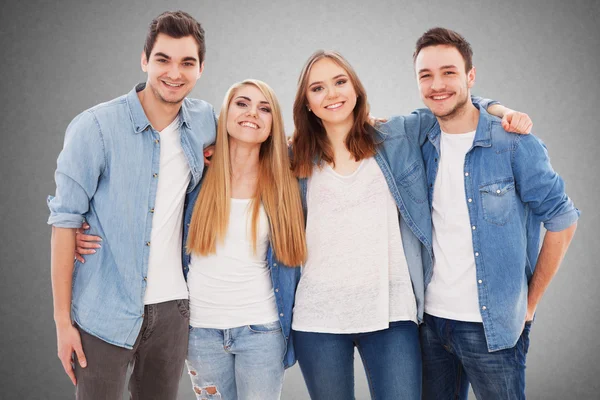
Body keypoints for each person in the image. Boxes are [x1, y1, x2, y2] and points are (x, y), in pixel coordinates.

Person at [289, 50, 530, 400]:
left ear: (356, 88)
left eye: (340, 82)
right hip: (318, 316)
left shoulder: (396, 135)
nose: (332, 94)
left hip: (392, 315)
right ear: (307, 103)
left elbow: (453, 103)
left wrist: (502, 111)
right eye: (318, 88)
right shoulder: (293, 157)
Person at [47, 11, 216, 399]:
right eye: (163, 59)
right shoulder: (96, 128)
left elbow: (251, 142)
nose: (175, 73)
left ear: (201, 68)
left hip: (175, 311)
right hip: (103, 310)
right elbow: (64, 223)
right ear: (144, 60)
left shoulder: (204, 120)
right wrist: (61, 322)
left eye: (187, 62)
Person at [402, 27, 578, 399]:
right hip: (430, 324)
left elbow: (562, 220)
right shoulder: (421, 136)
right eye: (426, 75)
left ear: (470, 75)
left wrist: (529, 305)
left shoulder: (513, 143)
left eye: (449, 72)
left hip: (493, 329)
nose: (437, 84)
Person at [182, 79, 306, 399]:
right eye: (242, 103)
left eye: (264, 108)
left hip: (262, 330)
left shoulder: (286, 182)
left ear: (272, 127)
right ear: (224, 114)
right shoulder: (195, 174)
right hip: (200, 331)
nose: (253, 112)